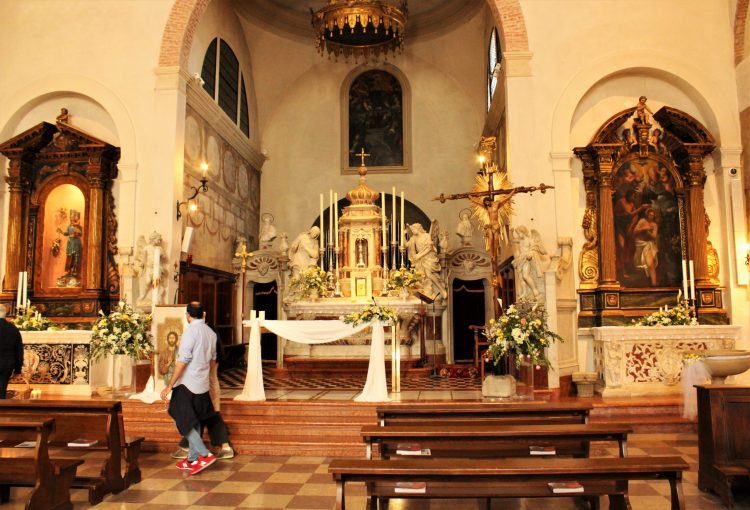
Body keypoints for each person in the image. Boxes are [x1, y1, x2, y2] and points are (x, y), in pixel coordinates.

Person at [160, 302, 218, 475]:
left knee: (180, 417)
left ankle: (204, 454)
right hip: (202, 383)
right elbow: (213, 359)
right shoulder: (211, 333)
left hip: (187, 383)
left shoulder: (190, 332)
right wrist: (207, 376)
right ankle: (193, 458)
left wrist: (170, 385)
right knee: (195, 419)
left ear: (187, 315)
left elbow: (182, 361)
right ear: (203, 315)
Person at [171, 340, 234, 460]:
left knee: (208, 415)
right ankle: (189, 446)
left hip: (204, 387)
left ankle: (222, 447)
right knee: (205, 415)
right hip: (207, 387)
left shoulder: (206, 352)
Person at [406, 223, 447, 299]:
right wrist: (403, 233)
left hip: (429, 256)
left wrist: (419, 255)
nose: (413, 231)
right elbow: (406, 245)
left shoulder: (427, 235)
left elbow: (429, 248)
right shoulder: (414, 238)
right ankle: (427, 291)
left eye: (413, 229)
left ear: (418, 228)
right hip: (421, 259)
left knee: (429, 274)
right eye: (412, 230)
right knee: (423, 276)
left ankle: (442, 289)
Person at [0, 304, 24, 399]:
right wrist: (18, 369)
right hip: (7, 363)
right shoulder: (13, 329)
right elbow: (19, 350)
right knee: (2, 388)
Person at [632, 208, 660, 286]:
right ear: (647, 215)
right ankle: (647, 282)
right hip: (640, 243)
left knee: (650, 264)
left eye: (653, 215)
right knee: (642, 264)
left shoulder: (654, 225)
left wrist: (647, 232)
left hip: (648, 244)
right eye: (650, 215)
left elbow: (654, 236)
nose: (651, 217)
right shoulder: (642, 221)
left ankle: (654, 283)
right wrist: (644, 228)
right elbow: (634, 232)